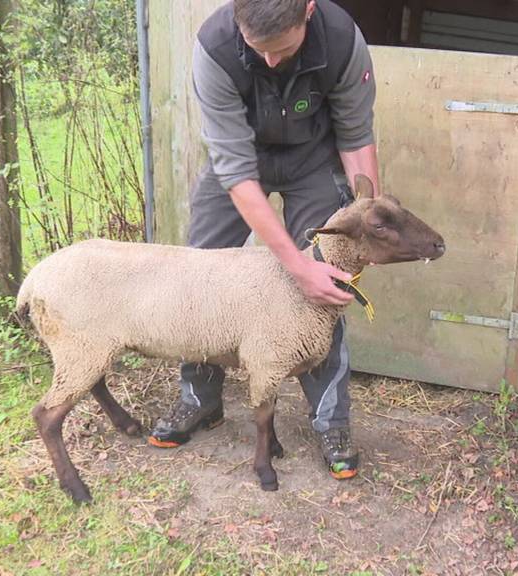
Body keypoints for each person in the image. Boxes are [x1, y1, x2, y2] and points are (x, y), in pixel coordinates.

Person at [148, 0, 379, 481]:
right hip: (241, 158)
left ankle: (330, 421)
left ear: (308, 12)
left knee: (325, 287)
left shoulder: (340, 39)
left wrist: (364, 224)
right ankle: (199, 398)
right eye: (260, 50)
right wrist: (295, 265)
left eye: (284, 49)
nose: (271, 62)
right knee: (201, 275)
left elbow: (356, 139)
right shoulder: (214, 48)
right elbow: (236, 172)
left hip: (314, 158)